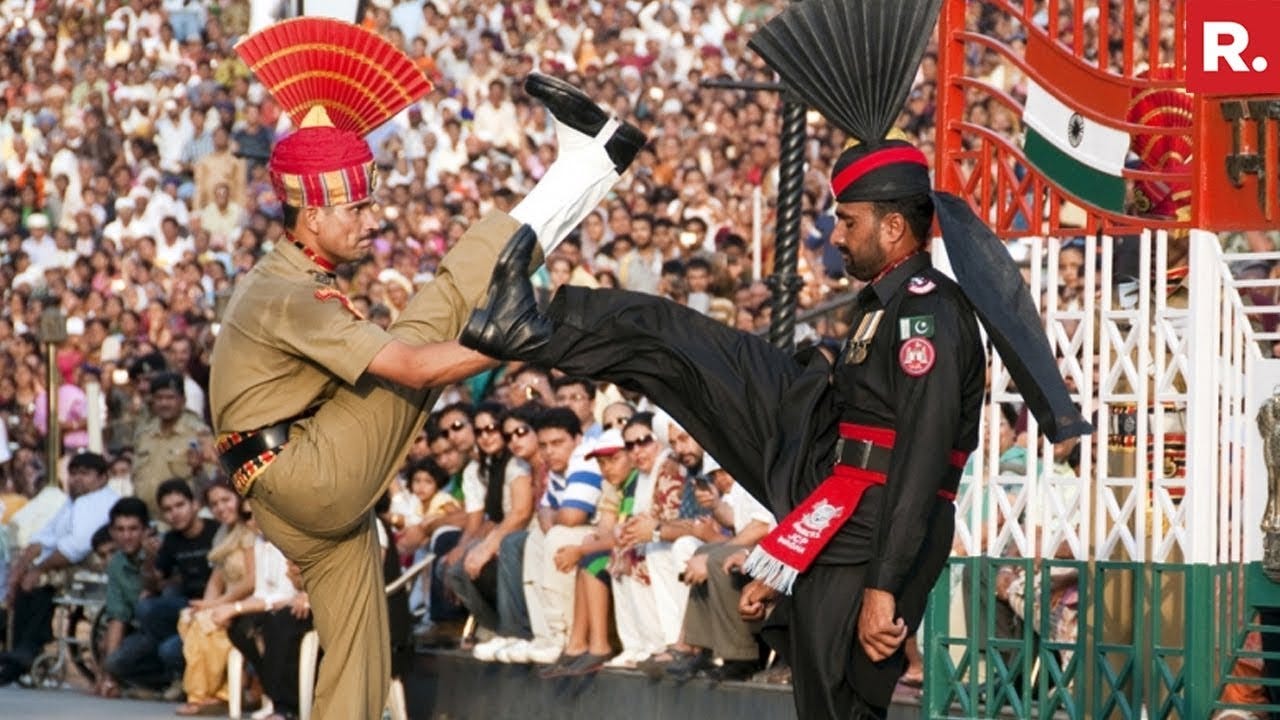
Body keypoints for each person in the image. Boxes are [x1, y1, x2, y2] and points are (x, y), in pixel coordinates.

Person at [459, 125, 1083, 720]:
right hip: (838, 490)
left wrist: (884, 588)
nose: (835, 236)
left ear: (894, 227)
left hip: (876, 523)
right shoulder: (883, 305)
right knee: (691, 350)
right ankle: (536, 327)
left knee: (835, 698)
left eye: (848, 221)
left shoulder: (929, 315)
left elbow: (919, 460)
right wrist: (785, 568)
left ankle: (539, 326)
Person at [209, 21, 643, 719]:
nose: (370, 221)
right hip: (306, 476)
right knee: (439, 305)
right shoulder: (295, 293)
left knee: (358, 656)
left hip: (290, 494)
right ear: (311, 213)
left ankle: (594, 163)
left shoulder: (279, 278)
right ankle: (590, 165)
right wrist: (512, 343)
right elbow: (413, 367)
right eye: (357, 207)